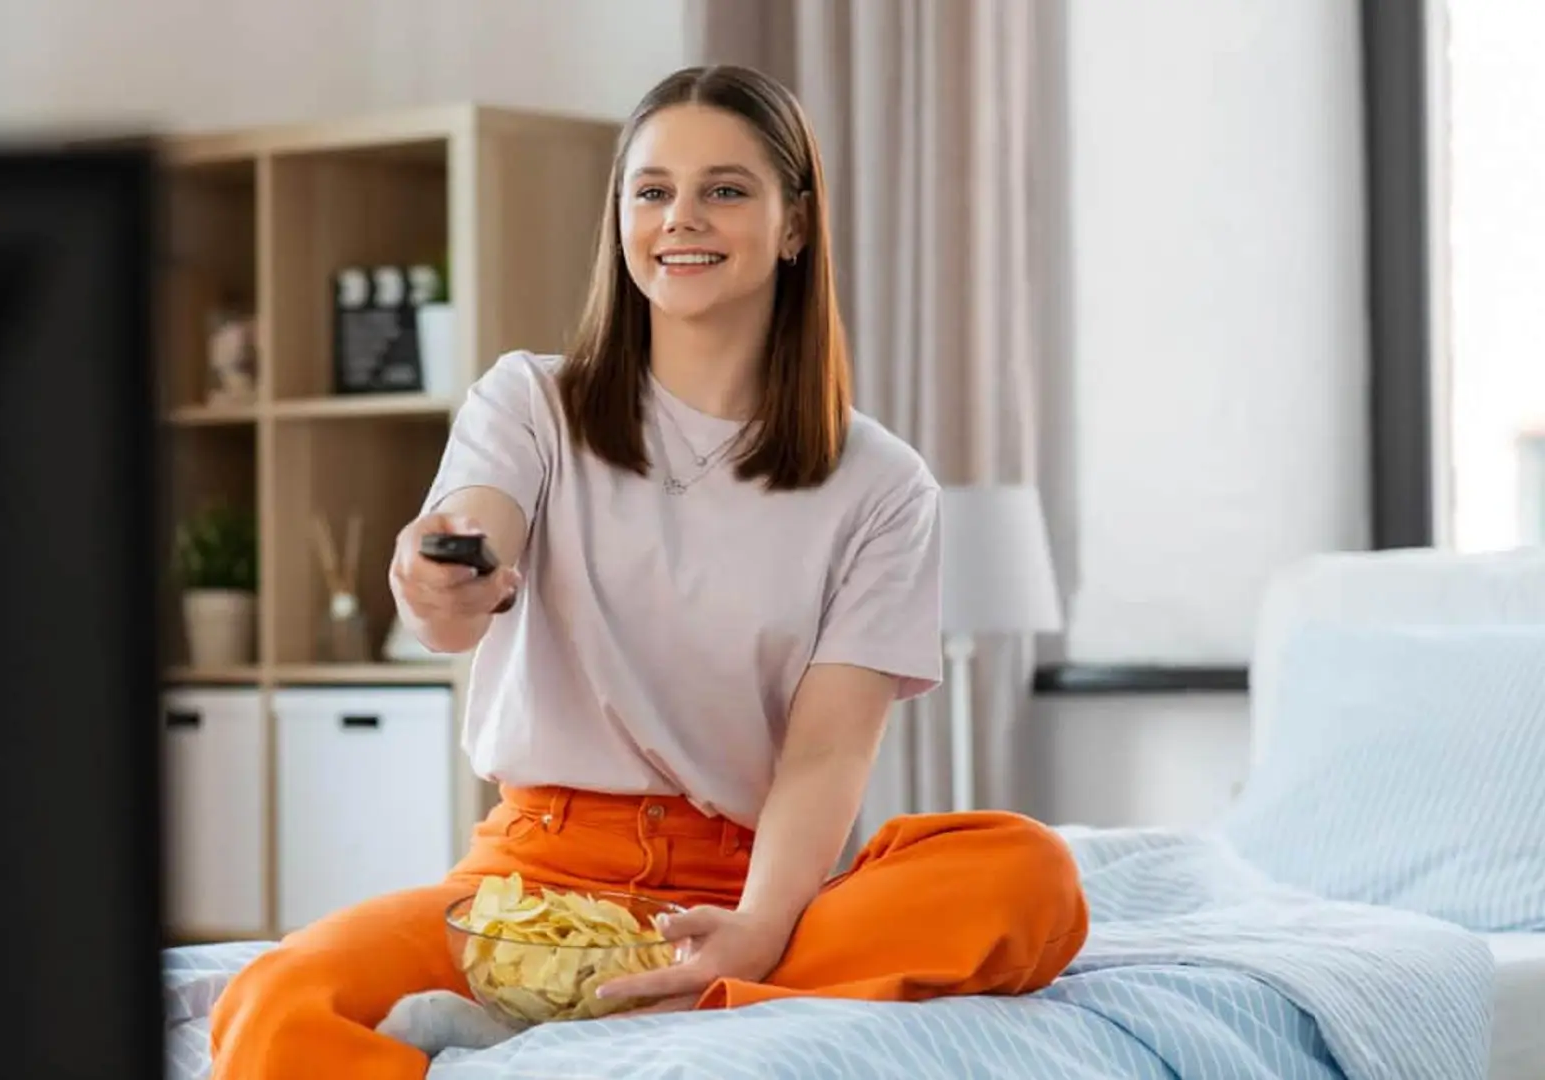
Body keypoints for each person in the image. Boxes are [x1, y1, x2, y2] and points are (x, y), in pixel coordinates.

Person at [209, 64, 1089, 1080]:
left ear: (795, 225)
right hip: (526, 885)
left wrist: (758, 929)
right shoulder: (530, 402)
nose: (682, 217)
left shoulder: (882, 485)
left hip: (747, 890)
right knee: (274, 1002)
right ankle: (598, 1006)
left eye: (726, 188)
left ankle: (633, 1009)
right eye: (652, 189)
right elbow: (467, 555)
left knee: (1029, 881)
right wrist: (444, 568)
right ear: (620, 215)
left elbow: (824, 760)